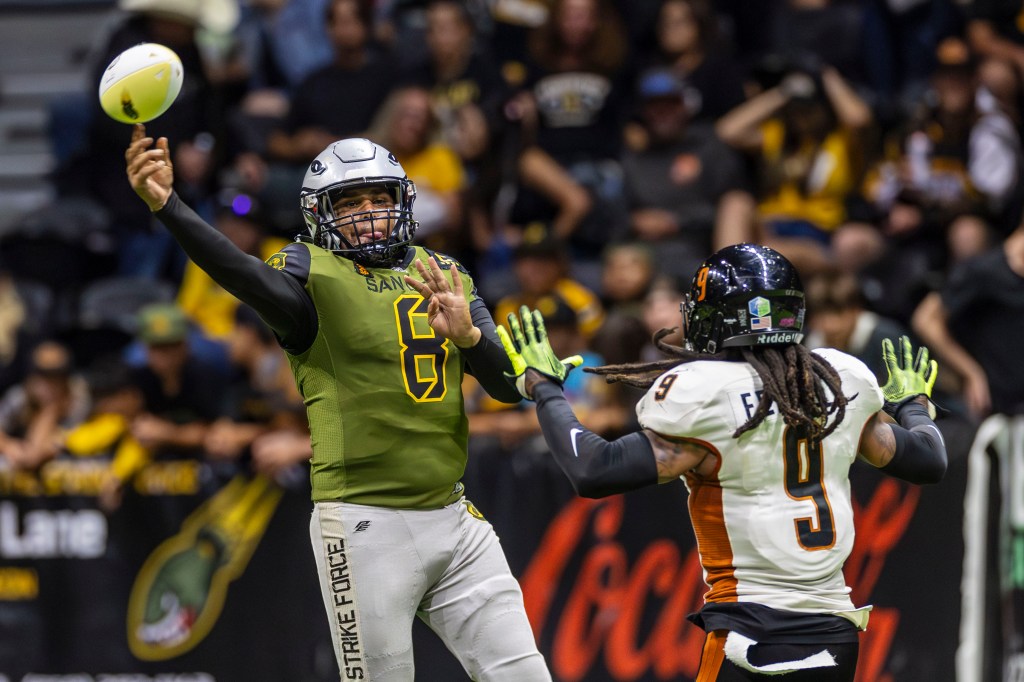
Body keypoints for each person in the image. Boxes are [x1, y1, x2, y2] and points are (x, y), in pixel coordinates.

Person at [125, 125, 550, 681]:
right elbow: (239, 271)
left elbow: (501, 386)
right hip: (366, 523)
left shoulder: (444, 272)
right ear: (320, 213)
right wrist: (169, 206)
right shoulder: (310, 270)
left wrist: (469, 338)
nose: (369, 211)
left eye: (380, 198)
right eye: (350, 201)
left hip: (454, 518)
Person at [497, 243, 948, 680]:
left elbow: (593, 469)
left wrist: (544, 388)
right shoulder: (840, 378)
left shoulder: (705, 392)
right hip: (836, 629)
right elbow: (928, 460)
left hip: (753, 632)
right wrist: (912, 402)